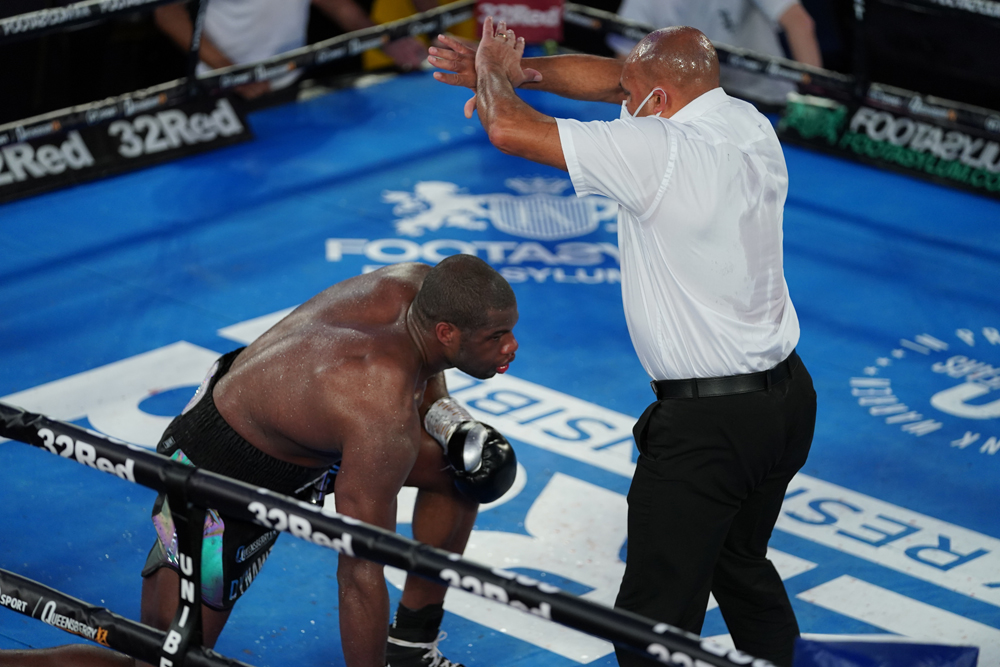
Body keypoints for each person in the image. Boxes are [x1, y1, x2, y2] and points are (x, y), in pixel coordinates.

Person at [430, 20, 816, 666]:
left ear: (658, 102)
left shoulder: (659, 151)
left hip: (710, 429)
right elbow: (619, 79)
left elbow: (509, 130)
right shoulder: (743, 120)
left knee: (649, 626)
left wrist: (494, 73)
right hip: (785, 400)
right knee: (740, 565)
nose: (621, 101)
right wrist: (521, 72)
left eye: (632, 97)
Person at [0, 255, 520, 667]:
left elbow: (424, 368)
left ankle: (410, 645)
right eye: (495, 337)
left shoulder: (421, 289)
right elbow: (360, 570)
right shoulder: (379, 411)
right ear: (447, 332)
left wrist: (451, 423)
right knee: (161, 658)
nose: (510, 347)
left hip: (302, 425)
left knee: (469, 471)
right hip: (220, 469)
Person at [154, 0, 432, 99]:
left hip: (291, 81)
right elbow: (166, 12)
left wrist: (385, 40)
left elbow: (337, 5)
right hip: (220, 90)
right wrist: (228, 70)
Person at [607, 0, 823, 107]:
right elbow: (627, 69)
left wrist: (814, 103)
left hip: (768, 104)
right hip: (696, 112)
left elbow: (799, 24)